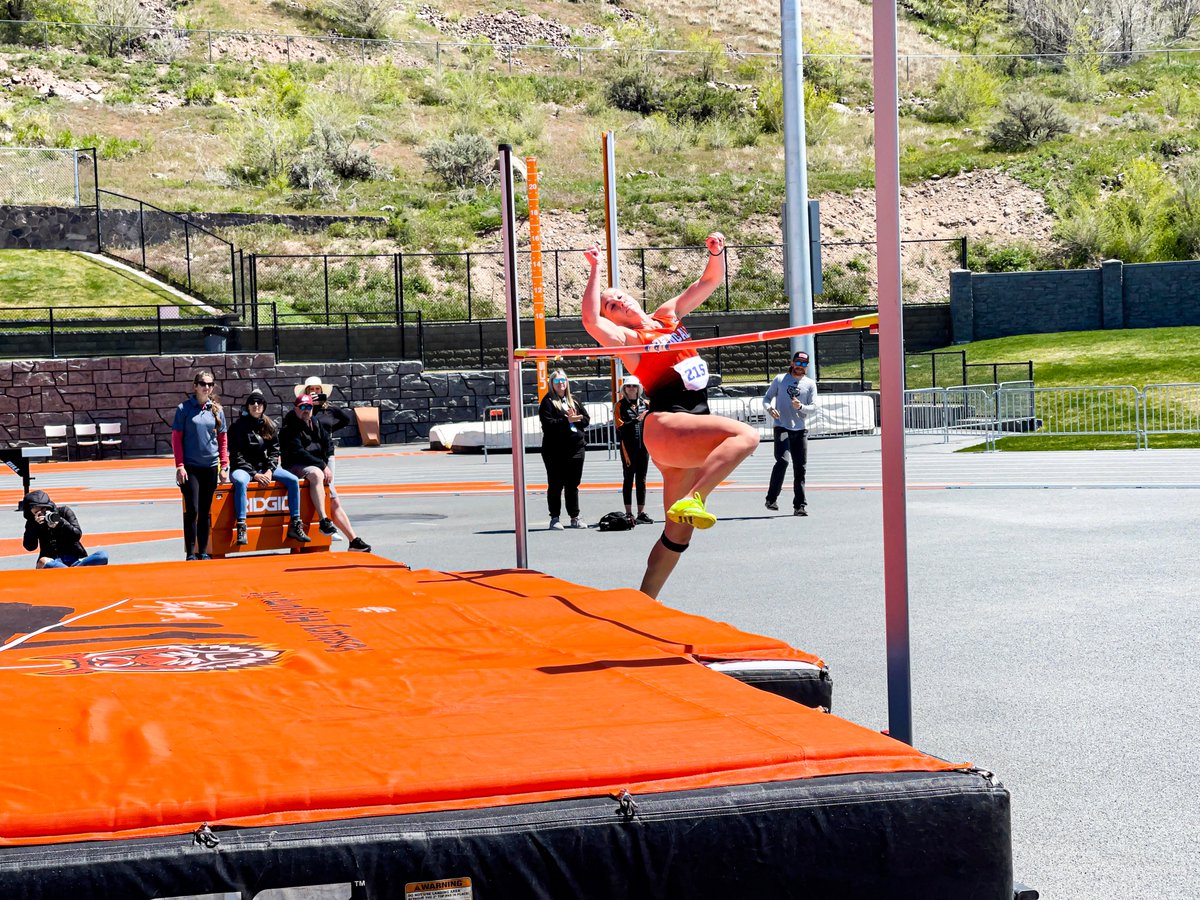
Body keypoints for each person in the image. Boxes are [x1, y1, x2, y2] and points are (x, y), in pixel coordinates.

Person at [581, 232, 759, 599]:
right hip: (665, 422)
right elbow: (591, 321)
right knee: (746, 436)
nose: (618, 302)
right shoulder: (629, 342)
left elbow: (709, 281)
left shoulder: (667, 315)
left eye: (619, 295)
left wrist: (717, 253)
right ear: (613, 319)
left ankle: (643, 603)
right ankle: (696, 497)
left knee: (677, 535)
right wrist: (596, 269)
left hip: (689, 422)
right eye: (611, 305)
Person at [280, 393, 372, 552]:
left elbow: (328, 442)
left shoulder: (315, 422)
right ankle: (324, 520)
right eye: (302, 407)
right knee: (316, 475)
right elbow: (299, 453)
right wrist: (322, 465)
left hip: (318, 465)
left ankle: (353, 540)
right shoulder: (290, 427)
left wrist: (327, 460)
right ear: (295, 408)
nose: (306, 410)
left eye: (309, 406)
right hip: (297, 465)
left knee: (334, 501)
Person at [228, 389, 311, 546]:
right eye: (252, 402)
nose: (256, 405)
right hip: (242, 468)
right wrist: (254, 474)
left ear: (264, 406)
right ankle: (241, 526)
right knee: (240, 482)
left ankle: (295, 524)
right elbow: (236, 456)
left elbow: (274, 451)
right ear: (247, 406)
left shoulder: (269, 425)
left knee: (293, 480)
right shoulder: (237, 427)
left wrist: (269, 470)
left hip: (263, 467)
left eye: (259, 402)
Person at [172, 369, 229, 560]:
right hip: (190, 467)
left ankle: (203, 551)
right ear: (195, 386)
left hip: (210, 467)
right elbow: (176, 439)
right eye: (203, 384)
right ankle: (191, 553)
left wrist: (224, 465)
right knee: (193, 509)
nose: (207, 387)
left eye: (210, 384)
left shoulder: (217, 410)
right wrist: (179, 465)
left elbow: (222, 439)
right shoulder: (184, 409)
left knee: (205, 511)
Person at [295, 376, 354, 541]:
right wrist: (310, 406)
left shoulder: (330, 409)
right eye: (311, 390)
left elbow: (346, 419)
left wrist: (330, 430)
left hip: (327, 453)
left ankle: (329, 525)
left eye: (317, 389)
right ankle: (325, 523)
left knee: (329, 487)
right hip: (309, 453)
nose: (315, 392)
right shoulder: (305, 408)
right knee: (320, 488)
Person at [763, 350, 818, 517]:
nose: (800, 367)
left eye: (804, 364)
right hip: (782, 427)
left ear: (807, 366)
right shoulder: (780, 379)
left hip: (800, 430)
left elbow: (814, 407)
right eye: (798, 363)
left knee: (800, 468)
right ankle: (771, 499)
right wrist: (770, 409)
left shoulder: (810, 384)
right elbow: (766, 399)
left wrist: (800, 407)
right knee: (783, 461)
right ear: (792, 363)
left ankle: (799, 505)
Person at [538, 369, 591, 530]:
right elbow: (548, 424)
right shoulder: (548, 401)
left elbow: (586, 419)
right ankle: (554, 518)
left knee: (572, 484)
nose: (561, 384)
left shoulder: (573, 400)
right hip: (555, 450)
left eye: (563, 380)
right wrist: (566, 420)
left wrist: (577, 419)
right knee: (556, 484)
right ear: (552, 384)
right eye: (557, 381)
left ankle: (575, 516)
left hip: (576, 448)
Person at [20, 490, 108, 568]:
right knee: (42, 562)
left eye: (43, 509)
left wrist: (60, 523)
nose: (41, 512)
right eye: (36, 511)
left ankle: (70, 570)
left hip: (75, 558)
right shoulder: (32, 522)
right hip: (53, 561)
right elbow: (30, 547)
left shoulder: (64, 512)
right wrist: (35, 526)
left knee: (102, 555)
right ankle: (72, 571)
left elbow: (77, 535)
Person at [616, 373, 653, 526]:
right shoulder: (620, 405)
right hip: (628, 447)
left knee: (641, 479)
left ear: (639, 388)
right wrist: (637, 420)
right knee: (628, 478)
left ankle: (641, 513)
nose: (631, 388)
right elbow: (620, 426)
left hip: (643, 447)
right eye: (628, 386)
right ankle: (628, 512)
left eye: (634, 386)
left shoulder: (646, 404)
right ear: (624, 389)